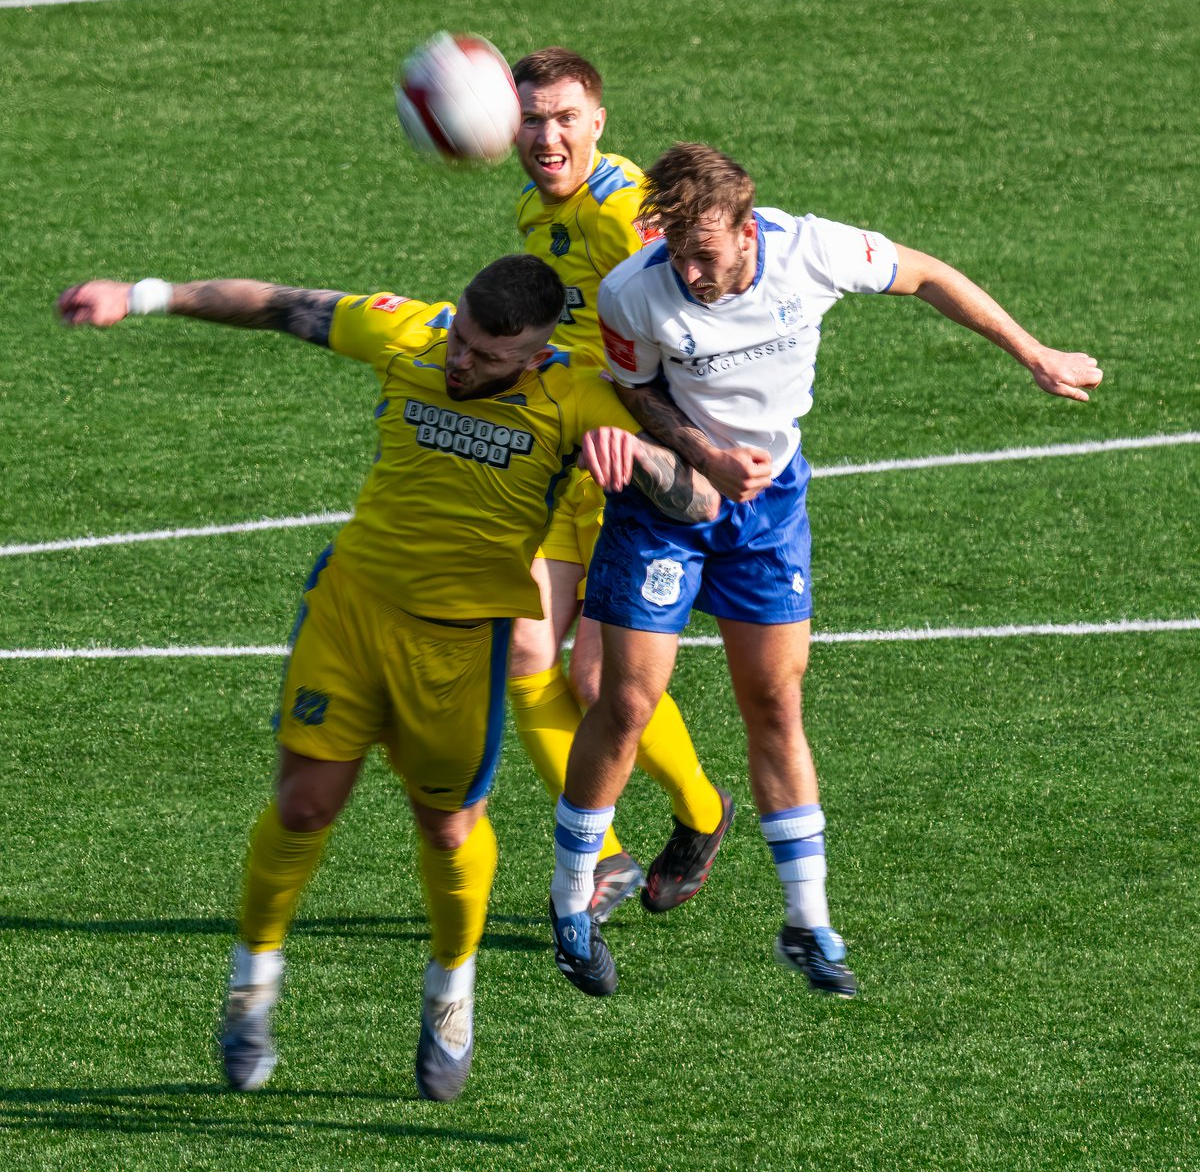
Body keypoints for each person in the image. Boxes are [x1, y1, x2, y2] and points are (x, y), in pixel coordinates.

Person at [56, 256, 719, 1100]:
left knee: (447, 833)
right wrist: (141, 293)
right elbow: (281, 303)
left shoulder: (580, 396)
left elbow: (700, 500)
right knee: (302, 805)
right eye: (462, 339)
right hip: (351, 613)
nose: (459, 359)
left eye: (485, 353)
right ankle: (251, 984)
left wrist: (641, 461)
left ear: (535, 350)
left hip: (456, 649)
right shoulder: (413, 332)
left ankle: (450, 989)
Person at [548, 143, 1104, 999]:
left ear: (746, 226)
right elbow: (636, 391)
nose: (691, 272)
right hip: (668, 501)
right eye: (678, 253)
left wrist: (1034, 353)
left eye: (707, 254)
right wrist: (702, 454)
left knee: (774, 700)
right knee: (623, 702)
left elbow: (927, 275)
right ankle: (569, 903)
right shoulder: (634, 288)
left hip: (769, 508)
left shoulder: (814, 250)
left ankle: (807, 923)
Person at [507, 50, 732, 924]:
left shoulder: (626, 207)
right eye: (532, 119)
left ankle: (702, 814)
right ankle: (601, 859)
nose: (547, 135)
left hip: (631, 470)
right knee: (525, 656)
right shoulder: (537, 207)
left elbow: (694, 316)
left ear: (598, 122)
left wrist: (681, 448)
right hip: (562, 463)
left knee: (601, 685)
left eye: (564, 117)